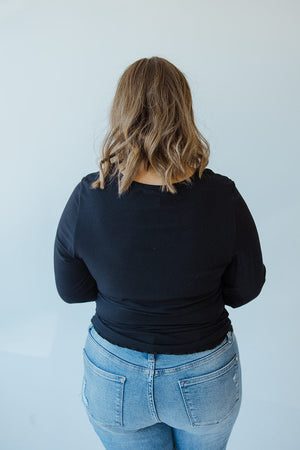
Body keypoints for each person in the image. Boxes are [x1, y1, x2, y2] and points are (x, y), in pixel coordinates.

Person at [53, 56, 266, 450]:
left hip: (115, 375)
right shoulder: (222, 196)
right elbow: (246, 288)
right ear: (183, 111)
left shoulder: (89, 196)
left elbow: (72, 290)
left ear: (121, 112)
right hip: (202, 372)